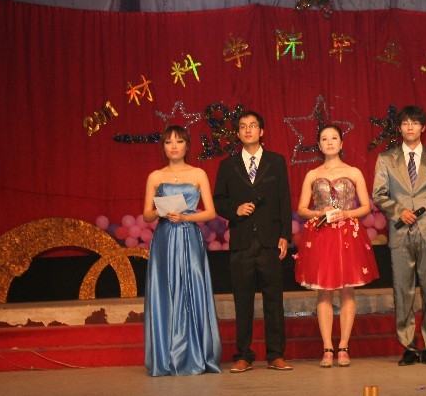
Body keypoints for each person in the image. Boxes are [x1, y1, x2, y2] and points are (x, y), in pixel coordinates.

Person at [213, 110, 293, 372]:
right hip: (242, 241)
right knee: (242, 300)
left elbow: (284, 200)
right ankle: (243, 355)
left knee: (274, 300)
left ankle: (276, 354)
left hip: (270, 241)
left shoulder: (276, 161)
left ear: (261, 131)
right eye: (243, 126)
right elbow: (218, 201)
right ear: (238, 133)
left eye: (253, 126)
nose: (248, 130)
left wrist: (285, 236)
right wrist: (234, 210)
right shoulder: (228, 165)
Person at [294, 125, 380, 368]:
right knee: (323, 290)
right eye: (324, 139)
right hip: (320, 234)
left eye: (334, 138)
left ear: (341, 144)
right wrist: (318, 212)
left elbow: (366, 207)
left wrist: (346, 213)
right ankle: (327, 348)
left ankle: (343, 346)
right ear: (319, 145)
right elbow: (301, 209)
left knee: (347, 290)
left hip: (347, 235)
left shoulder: (354, 172)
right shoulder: (312, 174)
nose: (329, 142)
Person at [372, 105, 426, 366]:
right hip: (400, 231)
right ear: (400, 127)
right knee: (402, 290)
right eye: (405, 123)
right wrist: (399, 211)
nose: (410, 127)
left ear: (423, 127)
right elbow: (378, 194)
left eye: (415, 123)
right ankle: (408, 345)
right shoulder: (386, 158)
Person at [142, 125, 222, 376]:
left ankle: (196, 353)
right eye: (168, 142)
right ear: (163, 147)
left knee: (192, 288)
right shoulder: (155, 176)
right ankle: (166, 356)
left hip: (189, 236)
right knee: (166, 291)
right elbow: (146, 215)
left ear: (187, 145)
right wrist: (161, 211)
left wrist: (186, 217)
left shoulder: (198, 174)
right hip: (165, 239)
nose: (174, 146)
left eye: (179, 141)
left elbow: (210, 212)